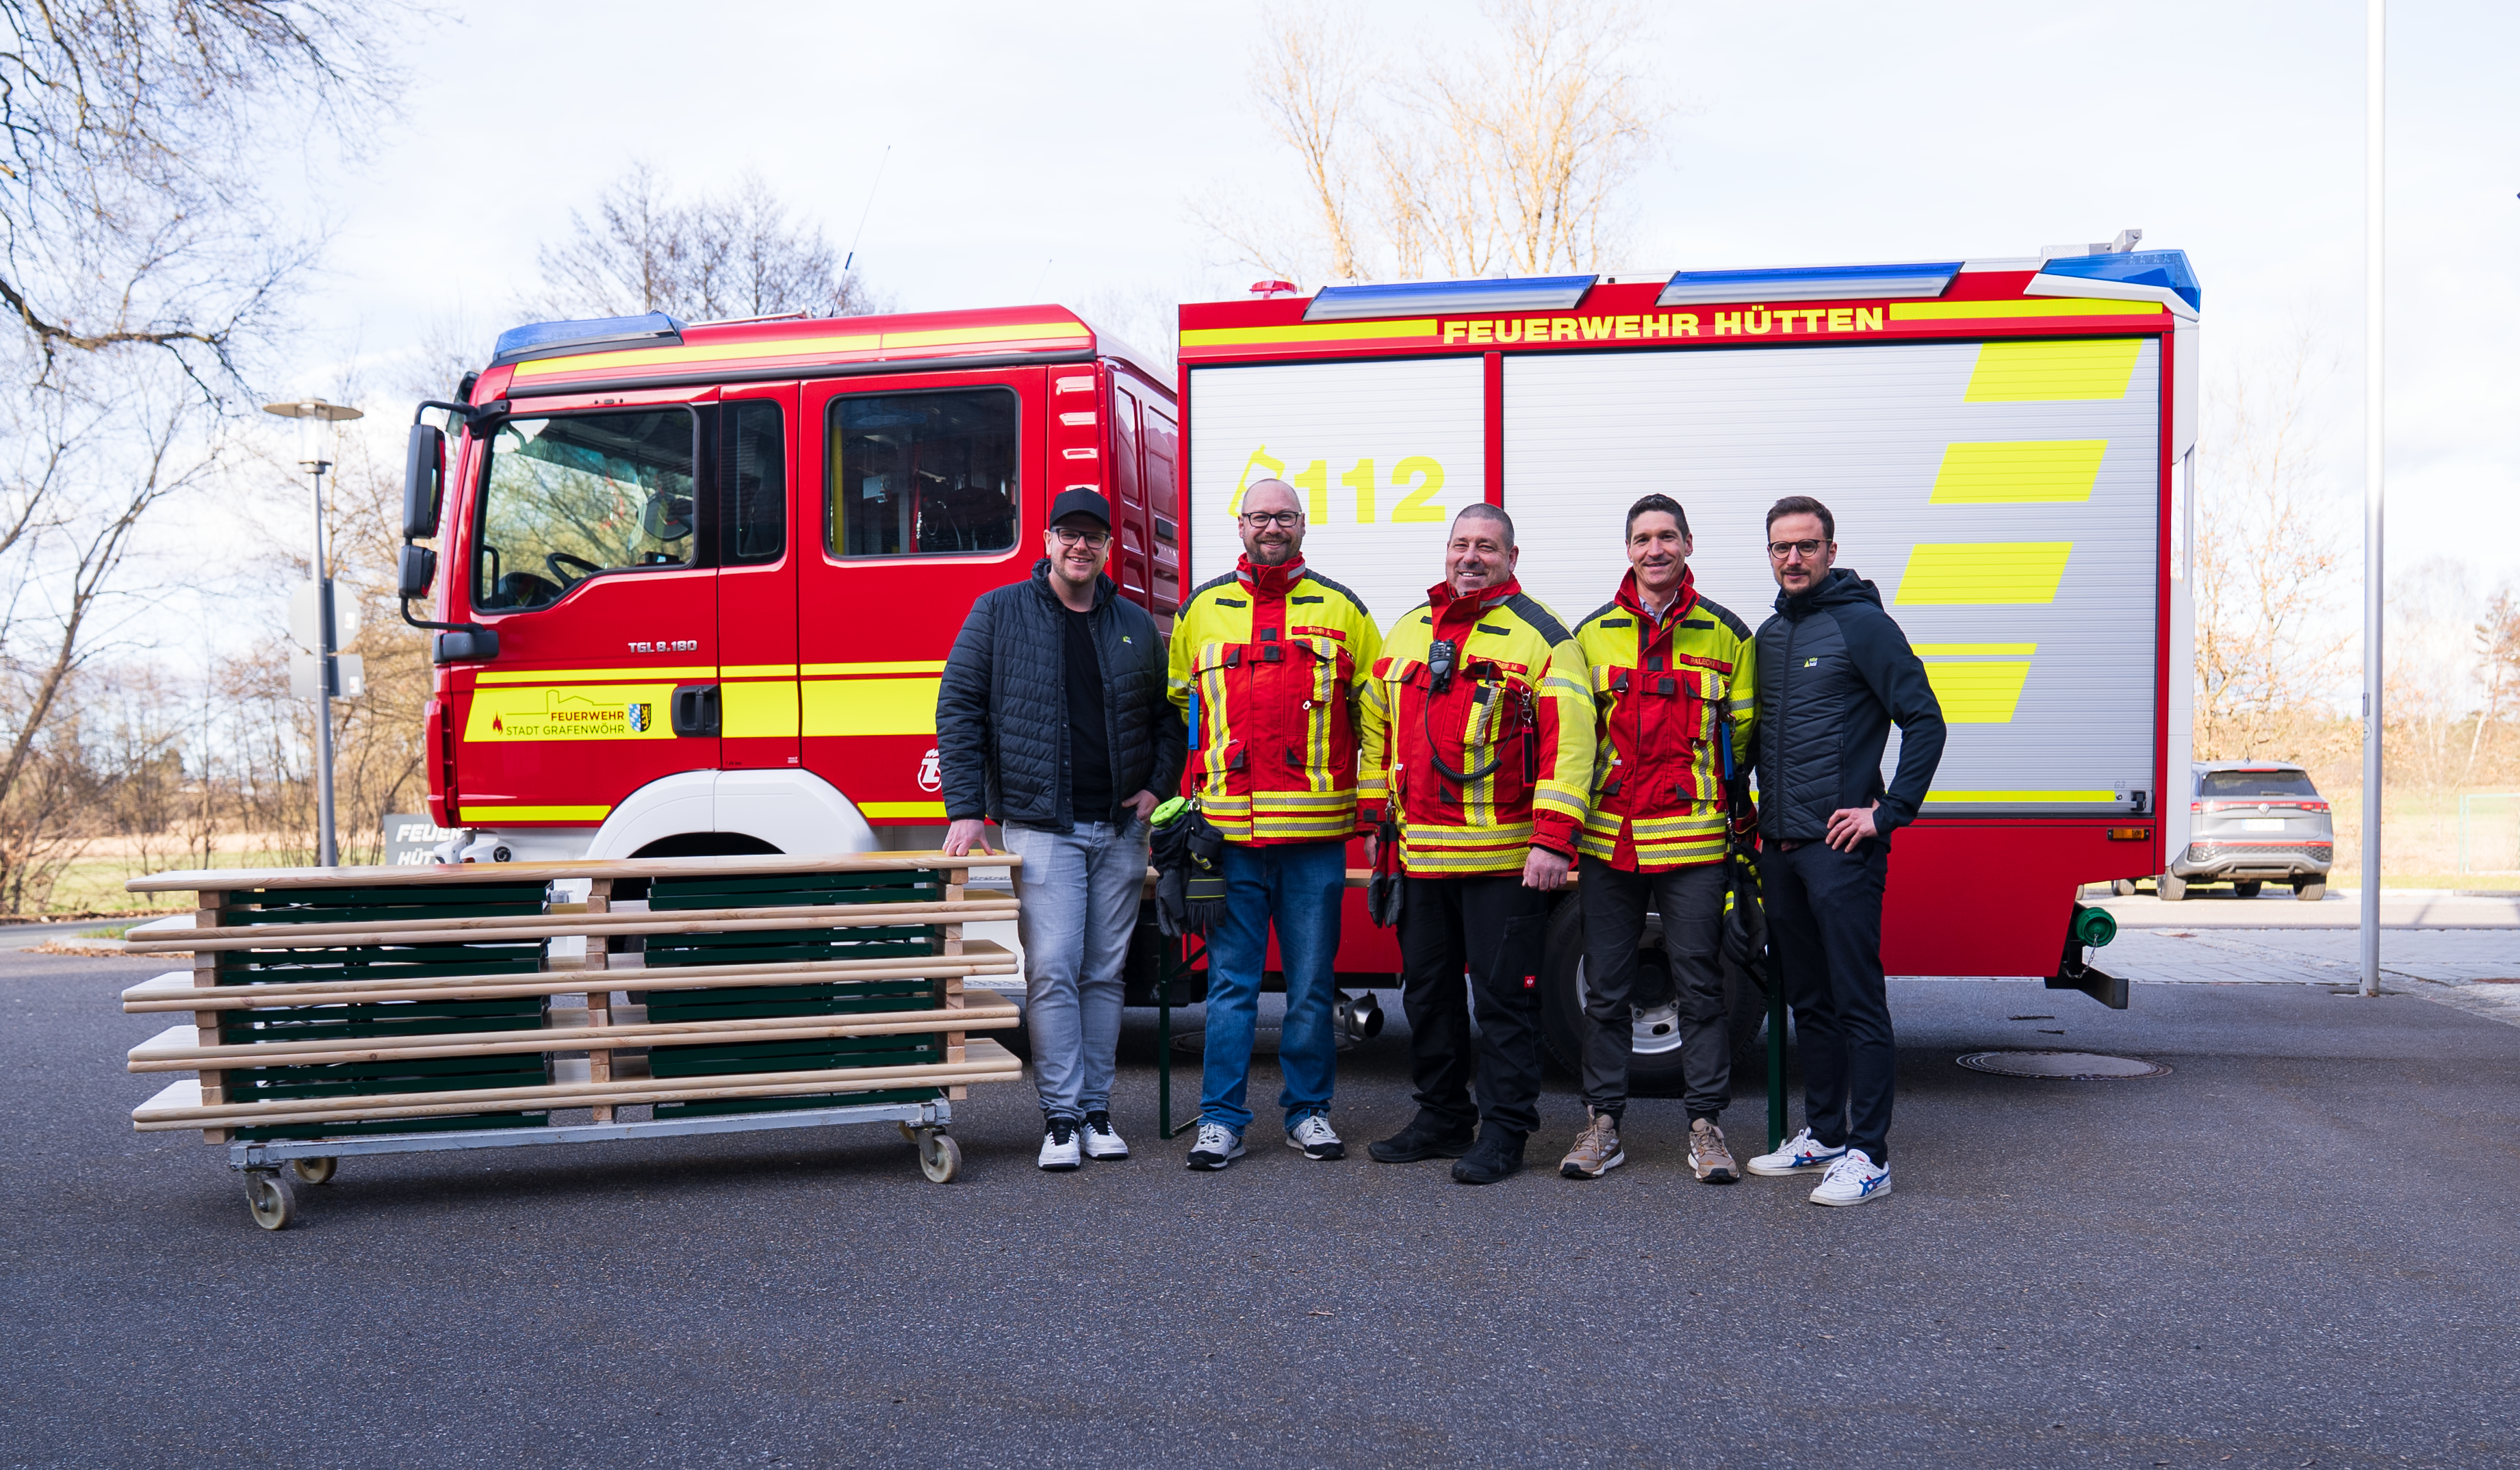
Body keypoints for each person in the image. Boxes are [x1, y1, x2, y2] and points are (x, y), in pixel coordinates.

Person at [936, 487, 1185, 1172]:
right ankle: (1060, 1118)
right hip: (1043, 826)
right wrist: (966, 807)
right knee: (1051, 971)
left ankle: (1098, 1112)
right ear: (1046, 540)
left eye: (1093, 537)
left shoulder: (1134, 624)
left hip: (1119, 830)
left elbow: (1169, 718)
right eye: (1069, 534)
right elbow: (958, 705)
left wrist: (1157, 787)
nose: (1081, 547)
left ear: (1108, 548)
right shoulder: (999, 613)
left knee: (1104, 973)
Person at [1357, 503, 1594, 1185]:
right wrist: (1378, 810)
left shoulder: (1543, 638)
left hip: (1502, 862)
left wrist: (1553, 841)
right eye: (1460, 544)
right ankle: (1440, 1118)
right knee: (1426, 995)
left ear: (1511, 558)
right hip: (1420, 859)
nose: (1471, 557)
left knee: (1503, 1000)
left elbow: (1570, 746)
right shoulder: (1407, 631)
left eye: (1486, 547)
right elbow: (1374, 719)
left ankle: (1507, 1131)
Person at [1167, 478, 1380, 1171]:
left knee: (1312, 985)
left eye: (1284, 517)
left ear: (1302, 525)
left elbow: (1372, 715)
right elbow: (1183, 706)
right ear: (1239, 526)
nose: (1271, 528)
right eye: (1260, 517)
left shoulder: (1343, 609)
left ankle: (1308, 1112)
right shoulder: (1201, 610)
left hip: (1314, 842)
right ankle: (1221, 1119)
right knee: (1231, 987)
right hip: (1227, 841)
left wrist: (1371, 811)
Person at [1740, 495, 1944, 1206]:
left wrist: (1887, 815)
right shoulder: (1767, 636)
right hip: (1780, 849)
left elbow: (1925, 721)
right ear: (1768, 554)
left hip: (1839, 851)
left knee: (1858, 1002)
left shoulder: (1863, 625)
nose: (1792, 558)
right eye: (1780, 547)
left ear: (1830, 550)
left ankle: (1870, 1156)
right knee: (1811, 1003)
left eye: (1806, 545)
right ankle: (1824, 1134)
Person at [1562, 493, 1757, 1182]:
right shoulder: (1589, 636)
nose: (1654, 549)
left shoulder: (1726, 635)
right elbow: (1573, 742)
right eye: (1642, 538)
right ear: (1628, 550)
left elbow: (1741, 738)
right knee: (1607, 992)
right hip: (1610, 842)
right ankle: (1601, 1126)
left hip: (1693, 844)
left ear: (1687, 544)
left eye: (1666, 536)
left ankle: (1705, 1127)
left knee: (1701, 990)